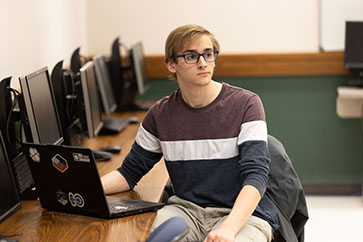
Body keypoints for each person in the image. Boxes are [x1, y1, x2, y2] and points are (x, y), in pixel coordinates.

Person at [101, 24, 279, 242]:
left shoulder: (246, 104)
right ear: (171, 65)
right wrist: (86, 190)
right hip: (185, 211)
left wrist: (228, 230)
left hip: (242, 215)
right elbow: (129, 173)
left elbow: (256, 175)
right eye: (191, 56)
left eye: (208, 54)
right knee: (145, 237)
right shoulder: (160, 114)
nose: (203, 63)